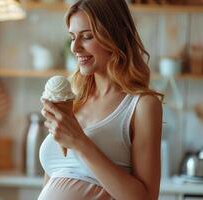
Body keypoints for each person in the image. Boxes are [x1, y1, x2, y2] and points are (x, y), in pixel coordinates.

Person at [38, 0, 164, 200]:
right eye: (72, 37)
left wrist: (80, 142)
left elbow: (146, 198)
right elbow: (53, 179)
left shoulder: (141, 106)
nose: (75, 48)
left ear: (114, 36)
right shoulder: (73, 99)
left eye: (87, 37)